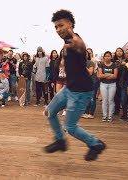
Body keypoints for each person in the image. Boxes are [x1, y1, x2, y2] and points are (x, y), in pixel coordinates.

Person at [44, 9, 106, 161]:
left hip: (80, 92)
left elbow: (80, 47)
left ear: (70, 24)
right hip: (69, 88)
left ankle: (96, 144)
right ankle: (60, 141)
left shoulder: (76, 41)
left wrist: (78, 46)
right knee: (49, 112)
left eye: (61, 25)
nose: (58, 30)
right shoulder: (66, 42)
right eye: (56, 27)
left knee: (70, 127)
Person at [98, 51, 118, 122]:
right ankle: (104, 115)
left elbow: (115, 76)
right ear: (104, 57)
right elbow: (100, 75)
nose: (107, 57)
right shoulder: (101, 64)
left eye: (108, 56)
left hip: (112, 84)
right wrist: (110, 75)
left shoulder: (114, 65)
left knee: (111, 100)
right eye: (106, 56)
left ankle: (110, 116)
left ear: (111, 57)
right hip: (103, 84)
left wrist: (105, 75)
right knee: (104, 100)